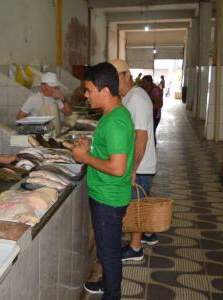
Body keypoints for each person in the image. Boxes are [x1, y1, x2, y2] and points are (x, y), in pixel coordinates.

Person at [73, 62, 134, 299]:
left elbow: (118, 168)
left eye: (89, 90)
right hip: (107, 196)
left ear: (105, 91)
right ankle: (108, 285)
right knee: (107, 250)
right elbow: (111, 154)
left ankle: (112, 294)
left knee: (109, 255)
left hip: (108, 199)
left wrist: (85, 157)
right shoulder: (113, 114)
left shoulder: (116, 122)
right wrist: (92, 149)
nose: (86, 95)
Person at [109, 59, 158, 262]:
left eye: (117, 77)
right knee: (140, 203)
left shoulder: (136, 98)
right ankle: (146, 234)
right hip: (141, 163)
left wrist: (133, 169)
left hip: (141, 164)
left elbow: (142, 136)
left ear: (127, 76)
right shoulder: (129, 97)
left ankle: (135, 248)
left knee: (136, 206)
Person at [141, 75, 163, 146]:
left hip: (155, 116)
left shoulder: (155, 90)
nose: (142, 84)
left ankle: (153, 149)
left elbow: (159, 104)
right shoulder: (145, 89)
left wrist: (148, 107)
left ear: (149, 82)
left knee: (152, 133)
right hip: (150, 115)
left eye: (144, 82)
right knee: (149, 132)